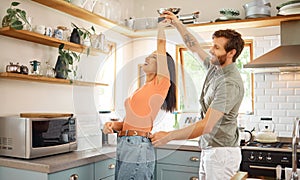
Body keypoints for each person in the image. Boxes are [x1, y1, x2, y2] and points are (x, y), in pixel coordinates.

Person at [150, 11, 245, 180]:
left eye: (217, 47)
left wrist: (169, 136)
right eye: (213, 45)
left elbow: (206, 125)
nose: (211, 50)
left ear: (231, 53)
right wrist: (177, 23)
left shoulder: (229, 83)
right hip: (210, 150)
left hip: (221, 155)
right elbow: (193, 46)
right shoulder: (215, 68)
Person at [102, 20, 176, 180]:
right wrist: (114, 125)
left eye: (154, 57)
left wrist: (161, 26)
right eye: (149, 55)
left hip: (137, 146)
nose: (149, 57)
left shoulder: (161, 84)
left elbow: (162, 45)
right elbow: (131, 122)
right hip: (125, 144)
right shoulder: (141, 89)